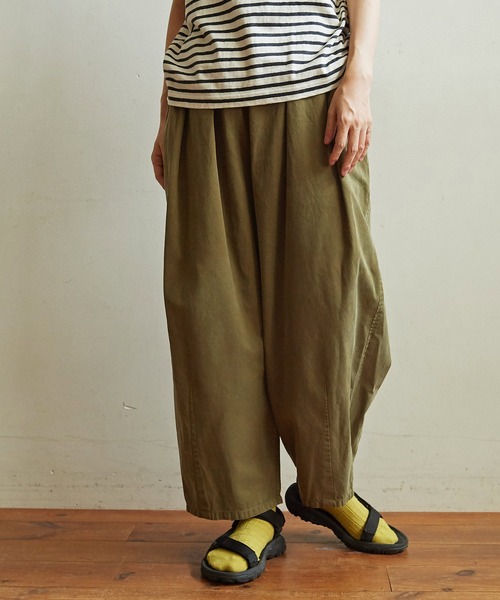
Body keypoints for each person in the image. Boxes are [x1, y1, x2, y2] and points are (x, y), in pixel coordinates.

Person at [151, 0, 408, 585]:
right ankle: (252, 510)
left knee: (330, 300)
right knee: (215, 314)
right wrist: (166, 112)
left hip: (313, 98)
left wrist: (359, 80)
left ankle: (328, 486)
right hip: (203, 106)